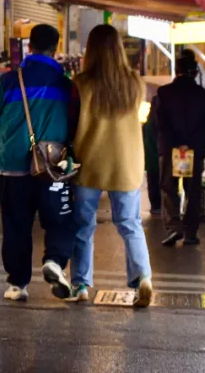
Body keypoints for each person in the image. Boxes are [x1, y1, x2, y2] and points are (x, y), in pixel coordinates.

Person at [0, 24, 75, 303]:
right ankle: (54, 261)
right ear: (55, 49)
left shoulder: (9, 80)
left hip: (13, 168)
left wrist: (1, 128)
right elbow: (76, 122)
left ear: (29, 47)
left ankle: (17, 284)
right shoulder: (65, 85)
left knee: (16, 227)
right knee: (60, 221)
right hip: (52, 167)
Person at [69, 24, 154, 308]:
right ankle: (143, 277)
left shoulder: (81, 84)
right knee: (130, 224)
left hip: (90, 162)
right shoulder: (134, 83)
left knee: (83, 226)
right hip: (126, 164)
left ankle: (81, 285)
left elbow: (72, 122)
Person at [154, 50, 205, 247]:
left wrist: (177, 143)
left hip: (170, 149)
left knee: (168, 187)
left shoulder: (164, 93)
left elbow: (161, 123)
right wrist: (190, 144)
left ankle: (174, 226)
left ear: (176, 70)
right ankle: (190, 232)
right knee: (193, 190)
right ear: (196, 72)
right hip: (194, 150)